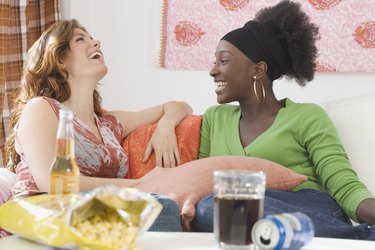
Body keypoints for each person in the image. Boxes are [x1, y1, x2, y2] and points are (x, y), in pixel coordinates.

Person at [191, 0, 375, 240]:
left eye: (223, 61)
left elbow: (345, 186)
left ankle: (359, 237)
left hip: (308, 206)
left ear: (258, 70)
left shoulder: (306, 116)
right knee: (211, 208)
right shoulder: (214, 119)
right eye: (214, 62)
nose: (213, 71)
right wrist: (167, 118)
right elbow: (199, 181)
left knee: (222, 209)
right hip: (235, 215)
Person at [4, 19, 193, 232]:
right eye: (80, 39)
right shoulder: (42, 108)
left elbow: (180, 106)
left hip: (94, 209)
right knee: (161, 206)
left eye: (92, 38)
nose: (97, 43)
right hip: (42, 210)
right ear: (59, 60)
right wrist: (139, 185)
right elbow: (51, 182)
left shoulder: (109, 123)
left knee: (161, 205)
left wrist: (166, 125)